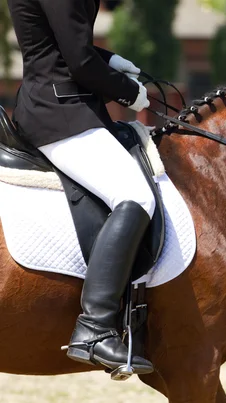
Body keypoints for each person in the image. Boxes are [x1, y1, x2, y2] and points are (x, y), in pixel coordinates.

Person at [8, 0, 156, 375]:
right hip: (59, 113)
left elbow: (55, 39)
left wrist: (110, 58)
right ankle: (94, 328)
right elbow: (78, 62)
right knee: (134, 195)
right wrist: (126, 91)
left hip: (64, 106)